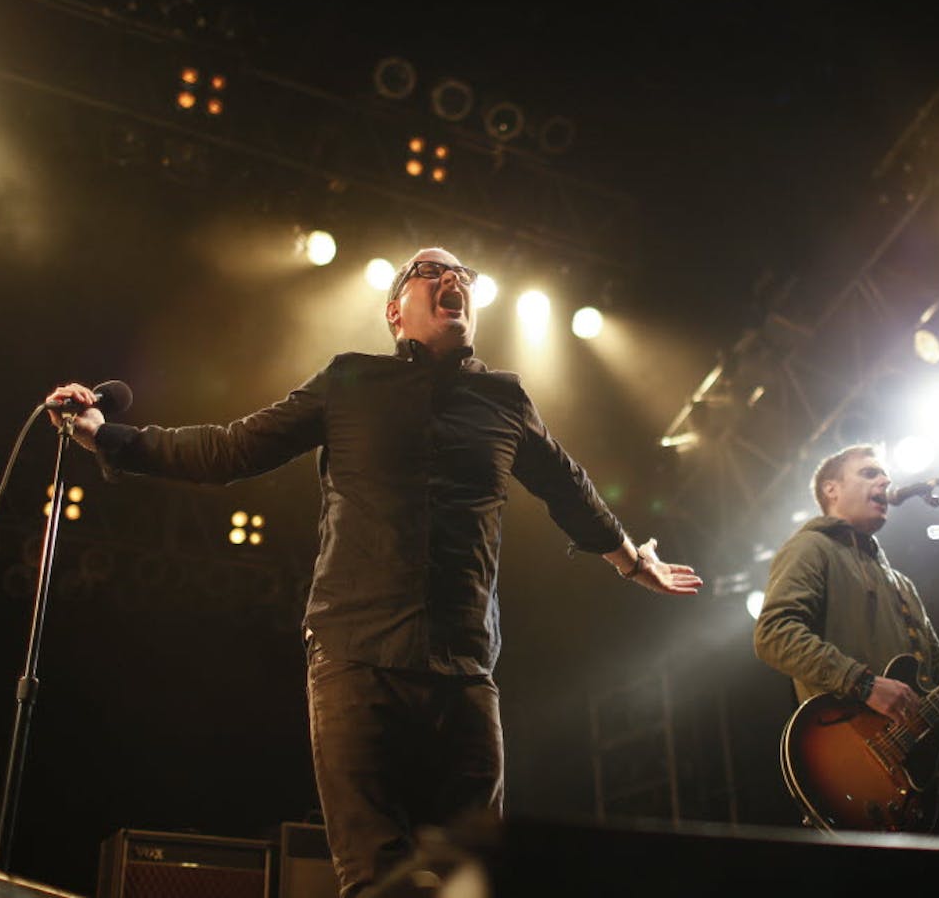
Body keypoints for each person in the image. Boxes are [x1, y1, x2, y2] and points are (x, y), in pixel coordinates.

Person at [45, 247, 702, 896]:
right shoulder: (348, 380)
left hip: (464, 670)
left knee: (474, 877)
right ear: (395, 311)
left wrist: (628, 558)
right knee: (374, 875)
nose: (454, 279)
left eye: (462, 275)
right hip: (355, 657)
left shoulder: (503, 398)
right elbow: (229, 448)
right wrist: (108, 435)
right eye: (431, 271)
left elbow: (567, 485)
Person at [752, 443, 939, 836]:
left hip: (929, 784)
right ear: (831, 490)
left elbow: (938, 676)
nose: (886, 480)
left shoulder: (901, 583)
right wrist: (864, 684)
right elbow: (773, 633)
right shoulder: (810, 548)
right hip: (860, 770)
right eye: (869, 473)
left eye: (884, 473)